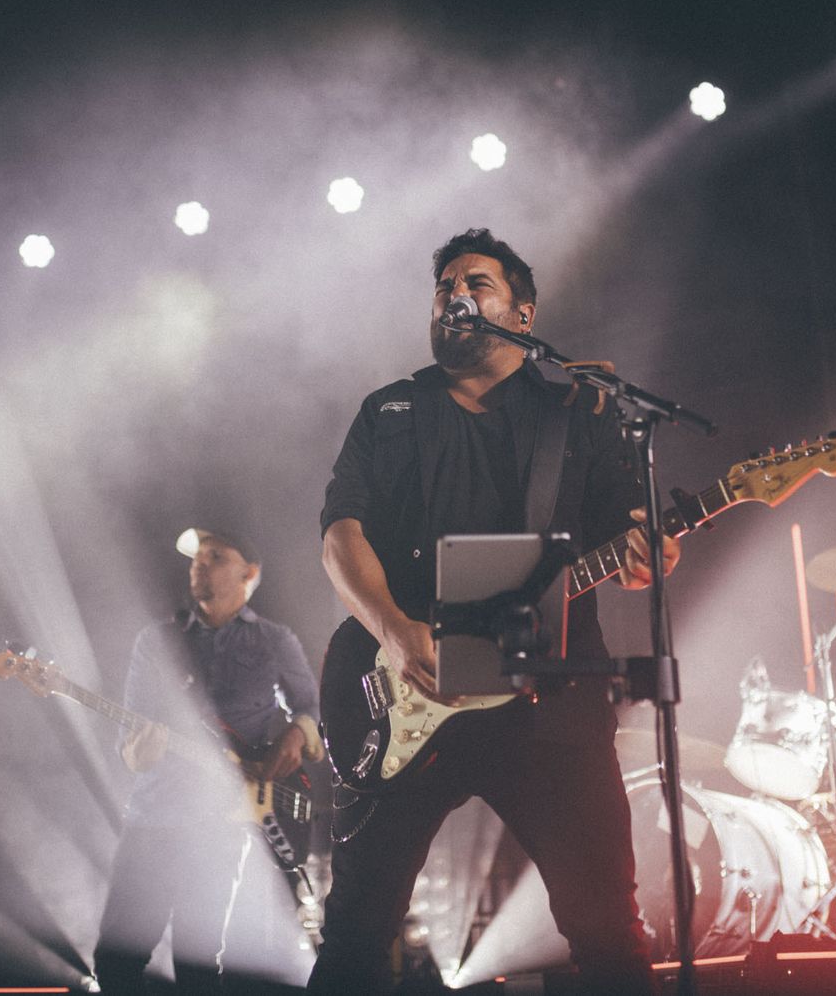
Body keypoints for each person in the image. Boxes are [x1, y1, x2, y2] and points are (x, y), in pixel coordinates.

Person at [308, 228, 682, 993]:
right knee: (353, 934)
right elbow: (339, 535)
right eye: (443, 286)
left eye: (474, 282)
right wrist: (393, 629)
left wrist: (650, 552)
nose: (453, 295)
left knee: (609, 930)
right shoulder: (391, 411)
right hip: (409, 695)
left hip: (552, 705)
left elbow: (630, 533)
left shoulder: (582, 409)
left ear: (522, 313)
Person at [93, 527, 322, 994]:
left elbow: (311, 707)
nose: (200, 564)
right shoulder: (156, 640)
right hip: (155, 815)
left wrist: (298, 734)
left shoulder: (276, 641)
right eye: (197, 557)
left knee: (198, 964)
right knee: (115, 962)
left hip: (222, 822)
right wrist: (140, 750)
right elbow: (131, 740)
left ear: (248, 573)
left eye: (215, 556)